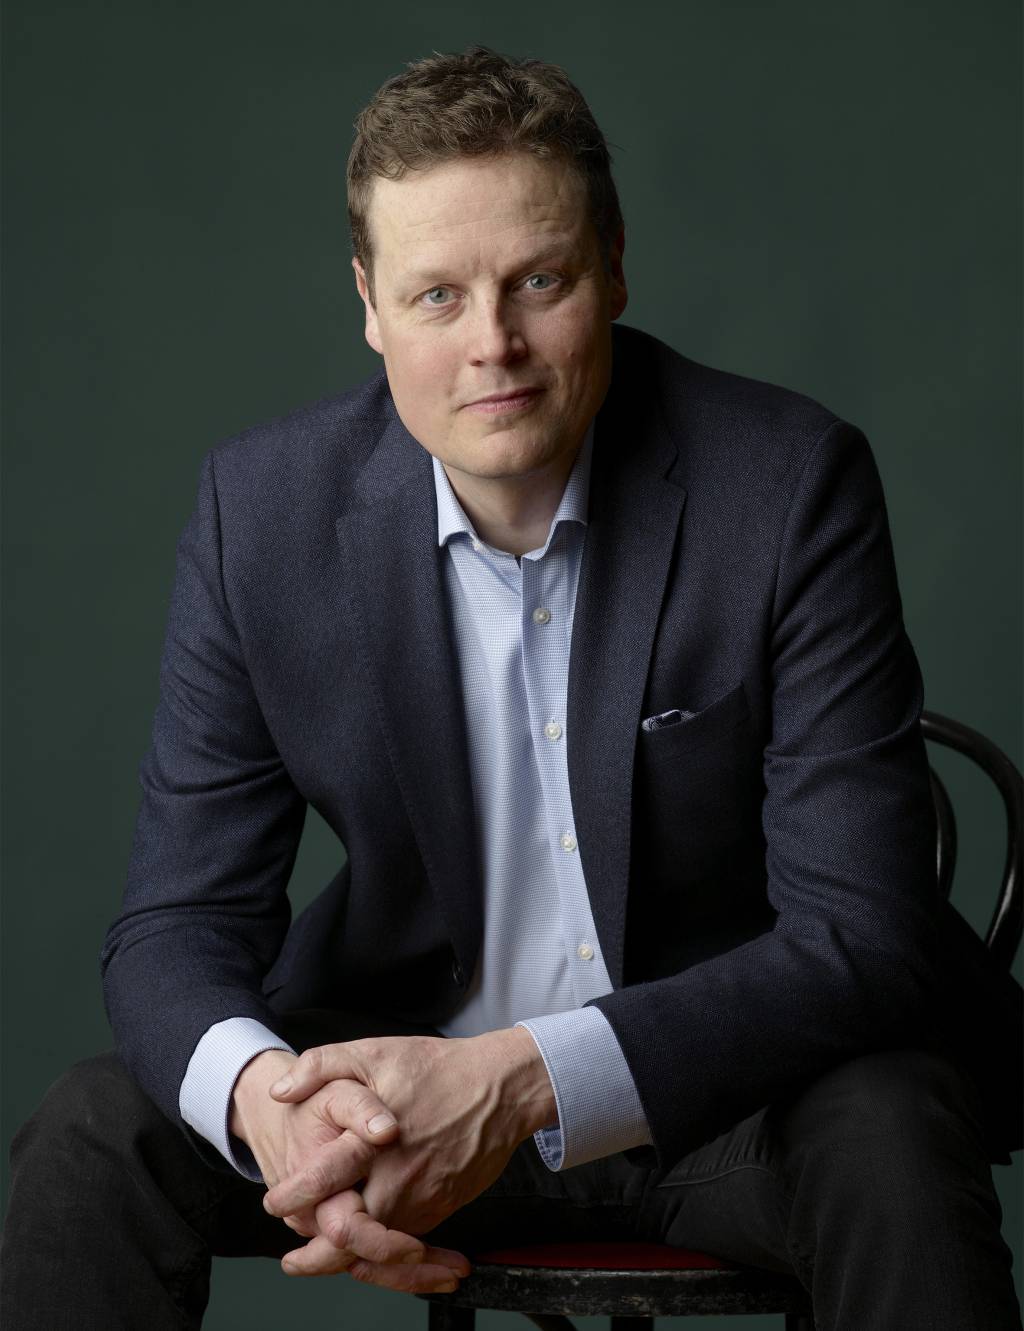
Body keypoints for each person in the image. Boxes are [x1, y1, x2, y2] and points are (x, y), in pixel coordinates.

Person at [2, 45, 1021, 1331]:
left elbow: (862, 933)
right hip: (399, 1103)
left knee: (893, 1127)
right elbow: (173, 925)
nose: (494, 345)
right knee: (95, 1130)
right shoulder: (257, 516)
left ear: (612, 265)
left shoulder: (785, 484)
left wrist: (520, 1077)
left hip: (726, 1096)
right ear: (369, 302)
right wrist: (274, 1105)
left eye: (539, 280)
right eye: (436, 295)